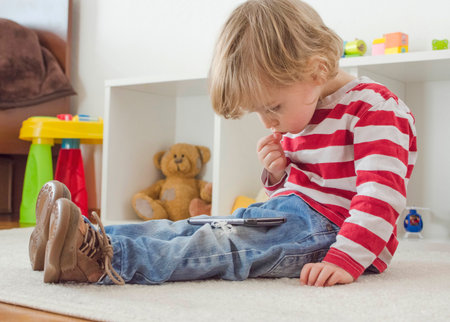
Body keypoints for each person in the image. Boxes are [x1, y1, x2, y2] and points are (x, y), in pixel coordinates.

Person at [28, 0, 417, 287]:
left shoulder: (375, 109)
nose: (267, 121)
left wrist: (345, 258)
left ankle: (104, 261)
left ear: (316, 69)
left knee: (222, 245)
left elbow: (381, 196)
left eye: (272, 107)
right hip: (296, 214)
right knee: (198, 224)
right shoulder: (304, 102)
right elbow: (299, 187)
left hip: (334, 232)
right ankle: (81, 240)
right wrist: (277, 174)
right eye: (260, 111)